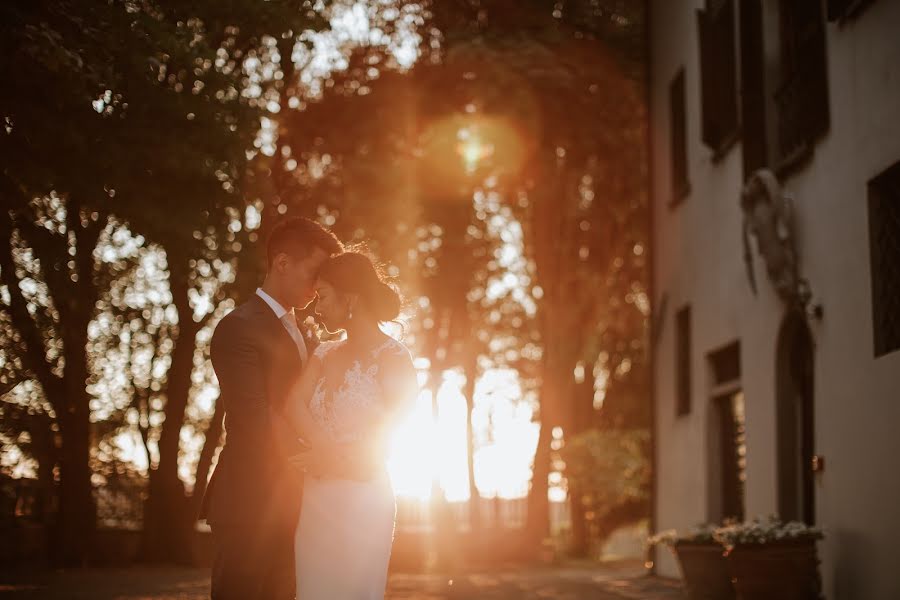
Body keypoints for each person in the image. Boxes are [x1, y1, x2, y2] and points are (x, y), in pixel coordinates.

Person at [200, 217, 343, 600]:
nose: (317, 287)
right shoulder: (238, 328)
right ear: (282, 263)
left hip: (298, 502)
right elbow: (254, 419)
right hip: (250, 502)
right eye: (314, 272)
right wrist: (321, 456)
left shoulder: (309, 332)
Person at [283, 251, 418, 600]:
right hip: (316, 499)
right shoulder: (323, 353)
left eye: (323, 297)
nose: (316, 309)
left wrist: (335, 460)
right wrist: (323, 449)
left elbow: (392, 432)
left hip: (364, 498)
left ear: (351, 298)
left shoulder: (394, 357)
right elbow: (294, 403)